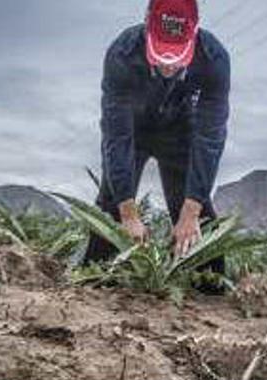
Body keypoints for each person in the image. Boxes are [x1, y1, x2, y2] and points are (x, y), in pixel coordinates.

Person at [83, 0, 230, 271]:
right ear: (147, 27)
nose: (169, 66)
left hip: (179, 132)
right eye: (161, 55)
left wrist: (191, 211)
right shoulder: (122, 54)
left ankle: (209, 283)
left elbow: (210, 138)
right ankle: (97, 275)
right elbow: (116, 137)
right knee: (111, 202)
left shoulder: (214, 59)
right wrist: (127, 213)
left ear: (194, 33)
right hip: (133, 130)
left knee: (193, 206)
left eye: (176, 57)